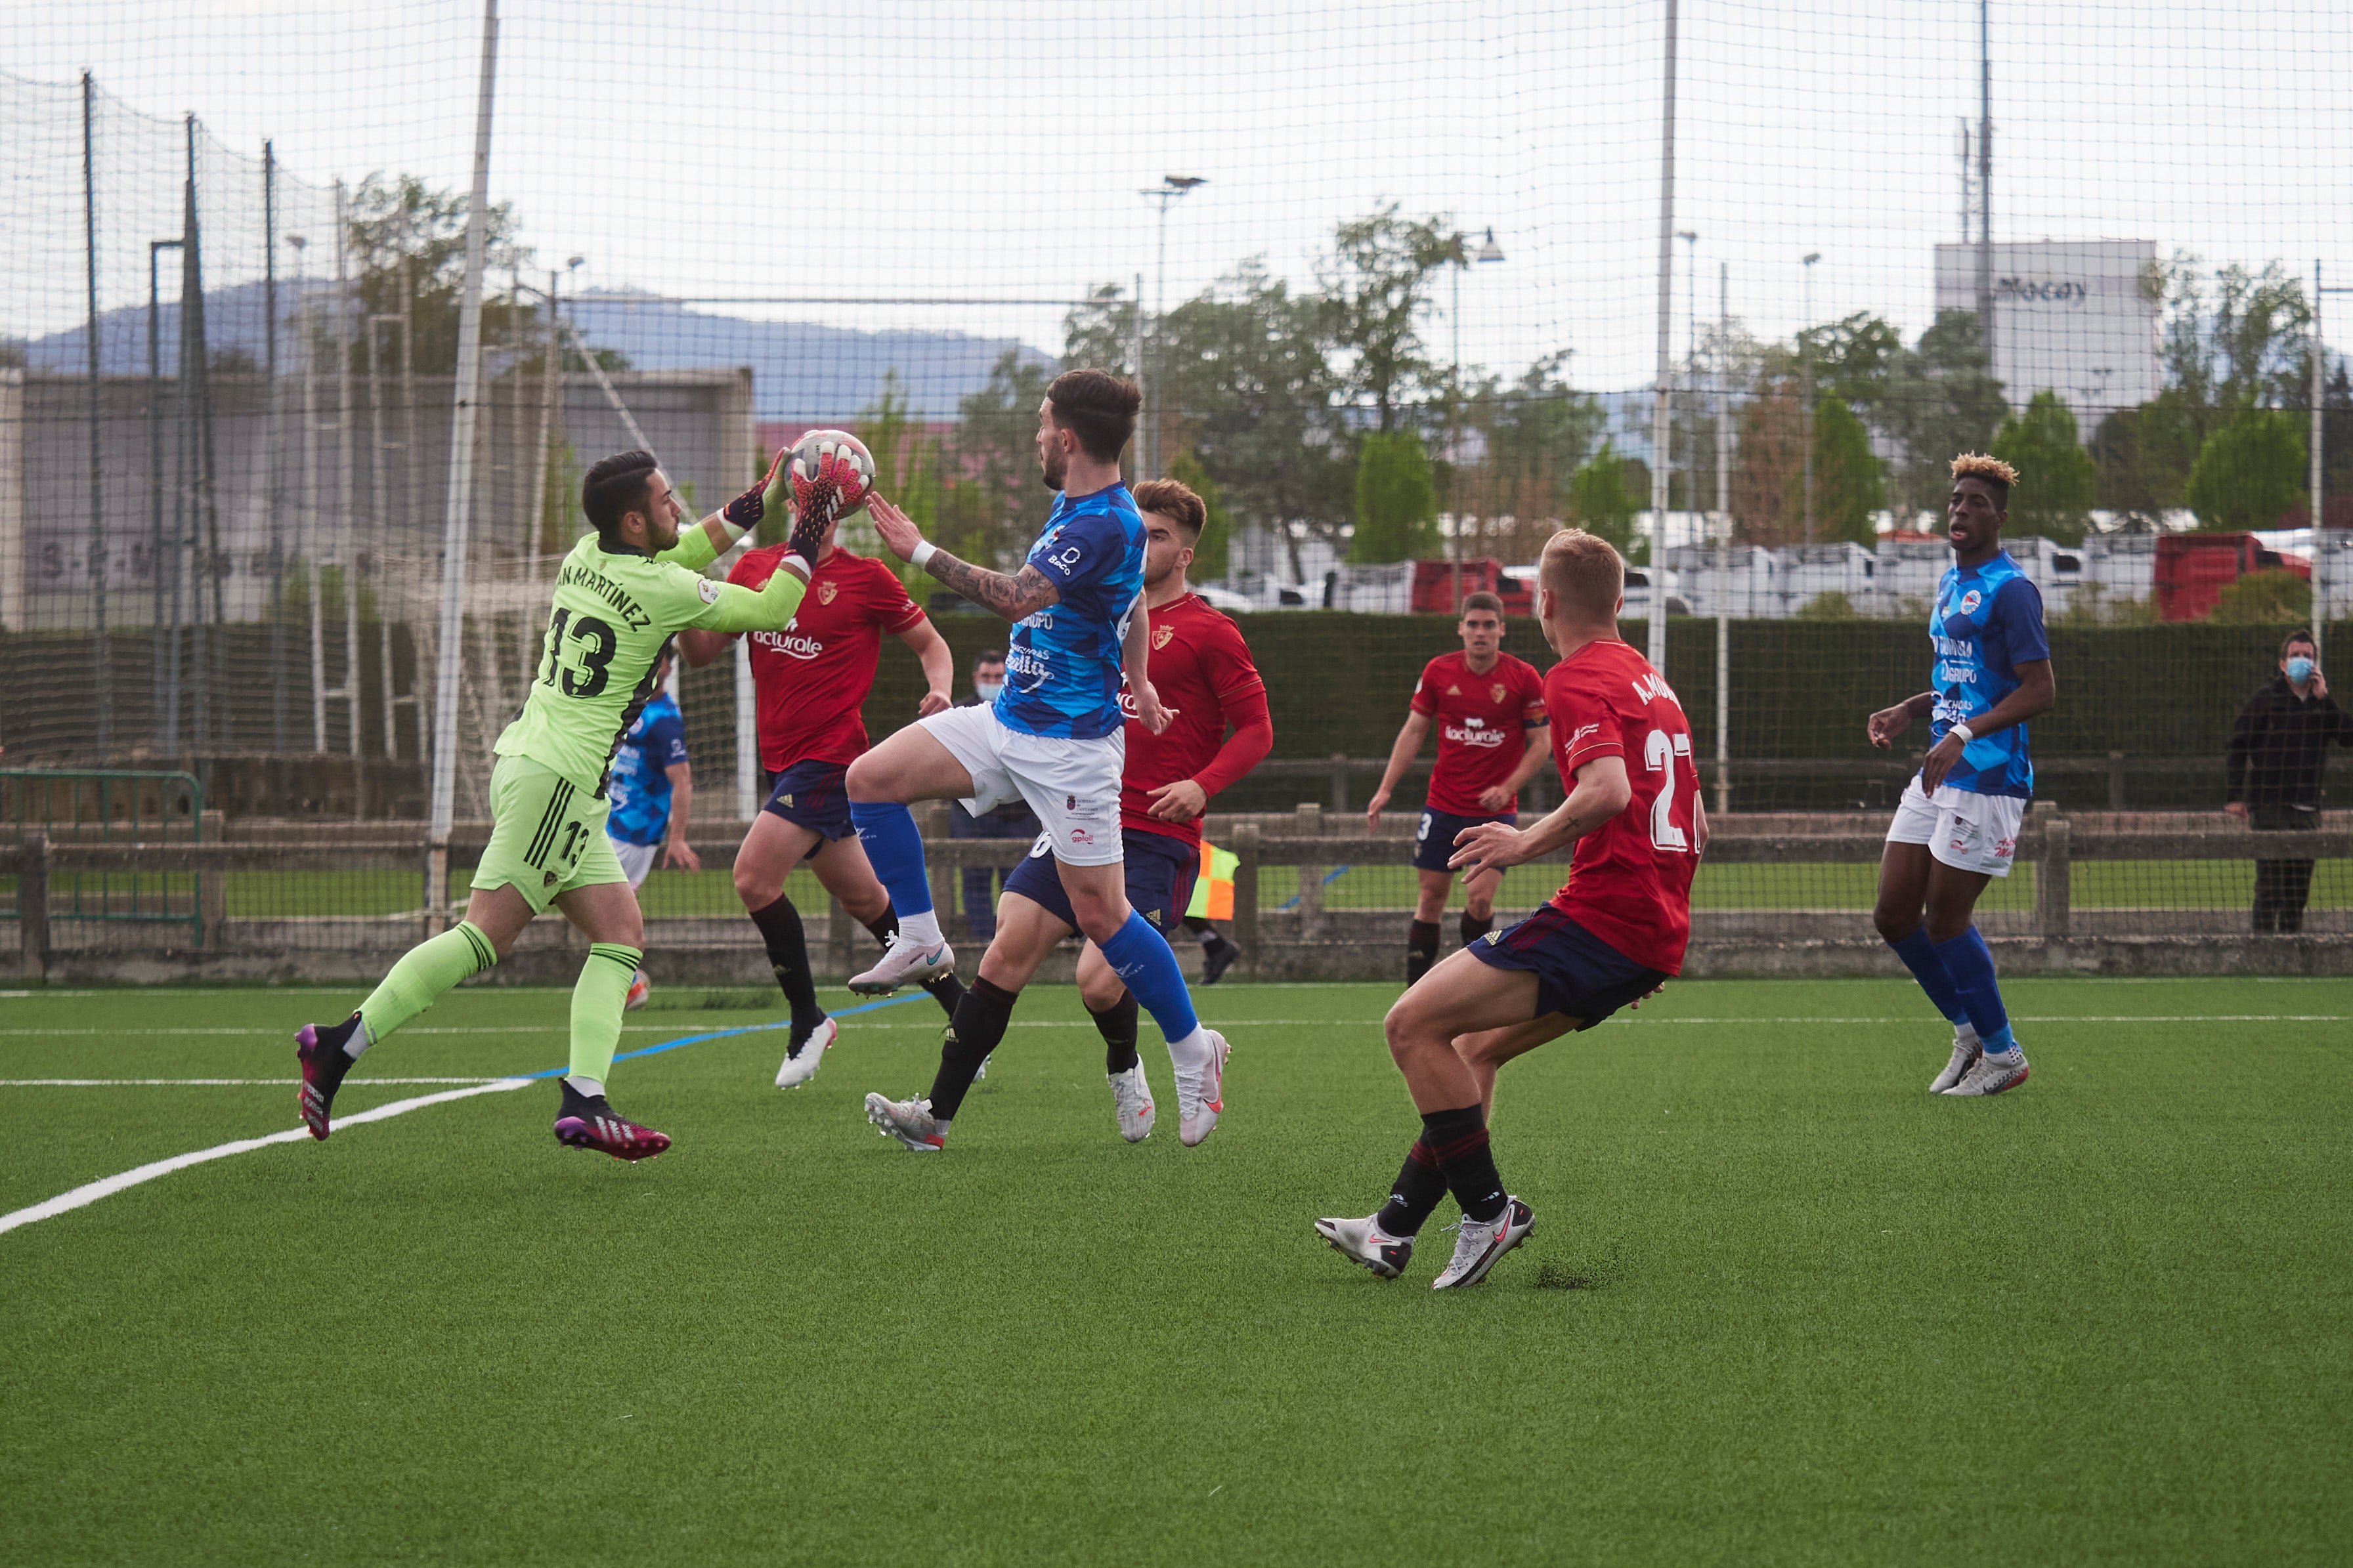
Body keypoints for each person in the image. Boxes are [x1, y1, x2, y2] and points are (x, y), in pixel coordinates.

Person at [293, 448, 828, 1160]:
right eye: (666, 499)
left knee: (619, 933)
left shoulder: (586, 553)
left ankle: (584, 1097)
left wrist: (753, 503)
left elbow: (688, 544)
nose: (678, 507)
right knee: (484, 935)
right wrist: (808, 528)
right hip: (558, 780)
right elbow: (769, 607)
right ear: (634, 520)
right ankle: (337, 1045)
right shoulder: (662, 589)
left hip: (539, 766)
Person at [844, 368, 1230, 1151]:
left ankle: (1194, 1048)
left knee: (1102, 916)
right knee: (870, 780)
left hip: (1070, 753)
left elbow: (1017, 596)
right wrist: (1142, 680)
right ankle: (918, 935)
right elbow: (1124, 612)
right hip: (1007, 720)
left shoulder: (1101, 524)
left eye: (1040, 425)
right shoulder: (1083, 509)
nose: (1034, 438)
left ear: (1065, 438)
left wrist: (915, 548)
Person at [1315, 528, 1703, 1288]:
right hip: (1645, 929)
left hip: (1603, 918)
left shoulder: (1571, 677)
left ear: (1545, 603)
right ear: (1620, 601)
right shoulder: (1651, 680)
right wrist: (1658, 937)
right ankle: (1394, 1230)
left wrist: (1519, 844)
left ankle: (1489, 1211)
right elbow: (1693, 819)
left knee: (1409, 1024)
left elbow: (1608, 795)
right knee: (1470, 1050)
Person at [676, 487, 962, 1088]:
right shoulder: (757, 569)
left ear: (845, 511)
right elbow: (702, 651)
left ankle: (808, 1019)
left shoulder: (868, 578)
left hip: (833, 758)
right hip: (783, 762)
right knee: (867, 902)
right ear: (791, 504)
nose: (818, 518)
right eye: (809, 503)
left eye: (830, 507)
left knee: (753, 877)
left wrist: (940, 690)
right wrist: (682, 592)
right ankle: (967, 1014)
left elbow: (933, 645)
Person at [1866, 454, 2055, 1098]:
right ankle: (1969, 1030)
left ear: (1998, 518)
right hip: (1937, 768)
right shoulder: (1949, 585)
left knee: (1945, 919)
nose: (1960, 511)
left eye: (1975, 503)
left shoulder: (2012, 588)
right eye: (1954, 501)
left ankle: (2003, 1054)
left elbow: (2039, 690)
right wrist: (1909, 708)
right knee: (1893, 914)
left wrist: (1963, 734)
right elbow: (1961, 682)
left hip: (1988, 775)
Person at [1366, 591, 1551, 984]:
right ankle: (1413, 994)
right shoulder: (1438, 672)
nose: (1480, 633)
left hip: (1495, 814)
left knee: (1480, 899)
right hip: (1443, 807)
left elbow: (1542, 744)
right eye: (1473, 625)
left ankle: (1476, 985)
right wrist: (1385, 789)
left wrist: (1507, 786)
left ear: (1502, 630)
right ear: (1461, 629)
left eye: (1488, 625)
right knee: (1431, 899)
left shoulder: (1524, 678)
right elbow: (1414, 730)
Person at [2225, 629, 2350, 933]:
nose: (2301, 661)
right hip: (2269, 805)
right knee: (2270, 886)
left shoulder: (2322, 706)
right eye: (2296, 655)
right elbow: (2238, 746)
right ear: (2283, 664)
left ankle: (2291, 949)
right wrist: (2234, 795)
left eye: (2307, 656)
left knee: (2298, 891)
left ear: (2316, 663)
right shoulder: (2266, 700)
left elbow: (2348, 737)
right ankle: (2263, 949)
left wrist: (2326, 700)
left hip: (2308, 809)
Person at [602, 641, 697, 1010]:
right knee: (604, 905)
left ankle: (629, 982)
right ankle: (629, 977)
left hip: (636, 832)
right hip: (610, 821)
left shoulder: (664, 720)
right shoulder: (628, 702)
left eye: (657, 661)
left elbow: (683, 781)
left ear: (668, 670)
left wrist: (678, 838)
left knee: (605, 907)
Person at [947, 649, 1041, 943]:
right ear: (976, 678)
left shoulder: (1029, 711)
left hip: (1020, 813)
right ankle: (984, 944)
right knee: (974, 880)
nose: (992, 681)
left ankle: (1010, 942)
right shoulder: (958, 715)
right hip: (972, 813)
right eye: (987, 676)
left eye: (999, 676)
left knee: (1016, 883)